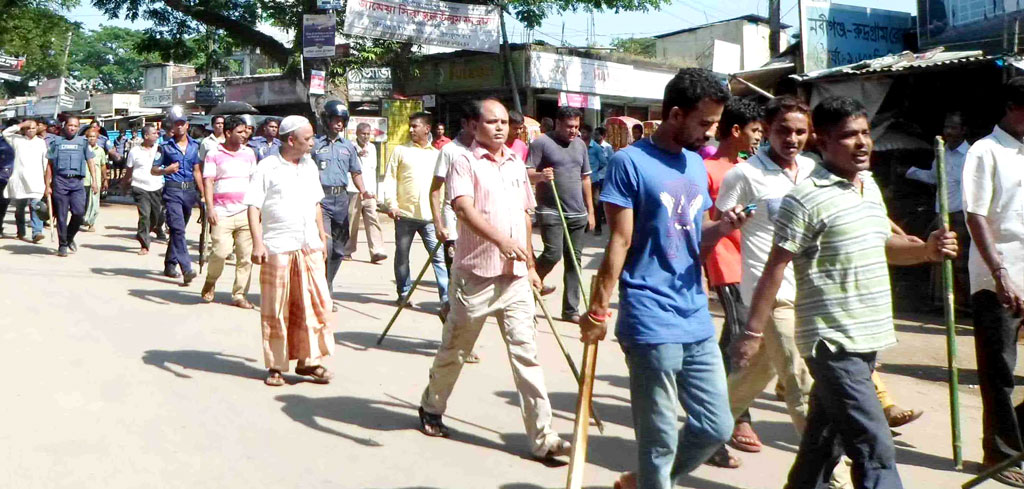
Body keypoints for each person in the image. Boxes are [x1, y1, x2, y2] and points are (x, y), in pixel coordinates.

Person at [731, 96, 956, 489]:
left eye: (865, 133)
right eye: (849, 136)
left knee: (824, 439)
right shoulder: (805, 199)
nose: (862, 143)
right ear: (824, 142)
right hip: (831, 342)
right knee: (874, 445)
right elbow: (776, 266)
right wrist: (751, 333)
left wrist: (927, 250)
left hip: (869, 337)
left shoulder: (868, 187)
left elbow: (885, 245)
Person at [578, 68, 741, 489]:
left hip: (695, 314)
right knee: (660, 438)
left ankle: (643, 482)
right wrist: (598, 308)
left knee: (715, 426)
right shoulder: (627, 163)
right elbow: (619, 241)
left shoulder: (693, 163)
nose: (710, 133)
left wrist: (722, 227)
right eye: (703, 123)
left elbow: (694, 239)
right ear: (674, 115)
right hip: (649, 314)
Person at [418, 98, 571, 460]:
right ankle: (431, 406)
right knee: (455, 350)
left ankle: (543, 436)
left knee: (527, 356)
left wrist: (531, 266)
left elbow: (524, 215)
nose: (501, 127)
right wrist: (500, 240)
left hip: (516, 278)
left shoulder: (517, 164)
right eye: (492, 122)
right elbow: (463, 208)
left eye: (505, 122)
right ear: (473, 125)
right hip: (476, 277)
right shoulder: (463, 161)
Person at [962, 77, 1024, 487]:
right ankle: (1000, 455)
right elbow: (975, 216)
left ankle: (1014, 437)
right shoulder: (985, 151)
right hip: (997, 279)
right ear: (1014, 108)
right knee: (999, 371)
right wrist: (1000, 272)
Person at [245, 115, 335, 387]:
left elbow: (316, 202)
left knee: (314, 305)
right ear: (291, 140)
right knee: (277, 307)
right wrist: (258, 243)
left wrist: (321, 233)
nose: (312, 143)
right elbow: (253, 206)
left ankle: (309, 361)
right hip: (278, 246)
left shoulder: (309, 165)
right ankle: (276, 366)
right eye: (307, 139)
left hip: (308, 245)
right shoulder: (267, 167)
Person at [701, 96, 763, 468]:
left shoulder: (750, 168)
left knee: (734, 341)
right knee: (742, 340)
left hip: (754, 263)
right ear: (736, 131)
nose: (759, 138)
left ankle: (718, 408)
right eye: (755, 131)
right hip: (726, 263)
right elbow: (706, 224)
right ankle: (735, 417)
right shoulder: (707, 170)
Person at [526, 106, 595, 323]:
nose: (573, 131)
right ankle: (530, 287)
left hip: (577, 213)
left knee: (574, 261)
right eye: (569, 127)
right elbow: (526, 173)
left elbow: (585, 178)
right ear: (557, 124)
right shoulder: (541, 143)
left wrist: (591, 211)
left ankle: (570, 310)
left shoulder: (580, 145)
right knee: (553, 254)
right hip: (551, 209)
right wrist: (541, 176)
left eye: (576, 126)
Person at [428, 107, 482, 361]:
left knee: (473, 287)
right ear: (464, 123)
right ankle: (461, 344)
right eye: (474, 124)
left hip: (479, 228)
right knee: (461, 286)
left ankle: (449, 310)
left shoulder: (483, 150)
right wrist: (439, 224)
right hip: (454, 228)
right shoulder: (449, 151)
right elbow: (436, 190)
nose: (478, 130)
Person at [381, 111, 449, 309]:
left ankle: (445, 298)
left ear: (427, 129)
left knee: (439, 258)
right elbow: (390, 178)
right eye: (410, 126)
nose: (411, 130)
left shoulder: (438, 155)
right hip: (405, 215)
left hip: (430, 217)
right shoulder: (401, 151)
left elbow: (442, 186)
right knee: (402, 256)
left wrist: (443, 215)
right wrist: (391, 204)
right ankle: (404, 292)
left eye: (415, 126)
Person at [905, 111, 972, 306]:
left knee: (959, 261)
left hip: (960, 214)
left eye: (953, 127)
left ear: (963, 130)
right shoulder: (942, 153)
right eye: (946, 127)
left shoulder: (971, 155)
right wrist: (910, 172)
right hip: (942, 214)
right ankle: (946, 304)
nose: (948, 131)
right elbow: (935, 177)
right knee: (939, 258)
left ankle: (965, 305)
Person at [313, 100, 371, 309]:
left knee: (339, 249)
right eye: (335, 120)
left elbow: (356, 172)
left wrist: (364, 191)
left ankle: (327, 282)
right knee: (325, 246)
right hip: (321, 200)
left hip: (342, 200)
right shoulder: (314, 144)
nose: (338, 124)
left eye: (341, 121)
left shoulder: (348, 147)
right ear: (326, 120)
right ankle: (322, 291)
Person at [201, 116, 257, 309]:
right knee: (220, 252)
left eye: (246, 131)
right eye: (240, 132)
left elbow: (255, 181)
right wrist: (210, 208)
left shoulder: (249, 153)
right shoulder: (213, 153)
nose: (244, 135)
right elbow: (208, 181)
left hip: (245, 212)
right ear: (228, 133)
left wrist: (256, 210)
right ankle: (211, 280)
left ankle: (239, 294)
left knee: (245, 257)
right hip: (221, 213)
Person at [152, 107, 204, 284]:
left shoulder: (195, 146)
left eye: (182, 123)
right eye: (177, 124)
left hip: (189, 192)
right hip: (172, 191)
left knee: (177, 231)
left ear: (187, 125)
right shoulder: (165, 147)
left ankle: (170, 263)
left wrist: (203, 195)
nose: (180, 127)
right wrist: (166, 170)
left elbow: (197, 171)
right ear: (173, 127)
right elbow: (153, 170)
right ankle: (186, 268)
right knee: (178, 228)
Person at [45, 115, 98, 257]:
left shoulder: (83, 143)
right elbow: (49, 165)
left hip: (77, 183)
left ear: (78, 127)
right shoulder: (56, 143)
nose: (72, 128)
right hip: (60, 182)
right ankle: (62, 245)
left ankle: (69, 237)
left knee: (79, 213)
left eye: (75, 126)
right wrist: (47, 185)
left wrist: (94, 181)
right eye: (70, 125)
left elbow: (90, 161)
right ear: (64, 126)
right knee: (61, 216)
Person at [344, 122, 387, 263]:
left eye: (368, 134)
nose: (366, 137)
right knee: (352, 221)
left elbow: (373, 170)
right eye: (363, 134)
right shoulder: (349, 147)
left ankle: (377, 251)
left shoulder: (373, 148)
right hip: (353, 189)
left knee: (373, 219)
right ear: (356, 133)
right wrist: (357, 153)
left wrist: (375, 192)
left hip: (369, 191)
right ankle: (347, 251)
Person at [121, 125, 165, 255]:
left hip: (156, 187)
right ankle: (144, 243)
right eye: (154, 133)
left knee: (156, 216)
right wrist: (124, 185)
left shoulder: (160, 149)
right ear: (146, 136)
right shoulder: (135, 151)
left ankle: (147, 231)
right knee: (145, 215)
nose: (157, 135)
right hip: (140, 187)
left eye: (157, 133)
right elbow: (129, 171)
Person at [2, 119, 48, 242]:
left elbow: (45, 161)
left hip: (36, 180)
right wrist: (21, 124)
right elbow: (5, 133)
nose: (31, 130)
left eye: (33, 128)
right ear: (24, 130)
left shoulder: (41, 143)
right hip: (20, 181)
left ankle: (37, 232)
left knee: (36, 206)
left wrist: (46, 179)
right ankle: (21, 231)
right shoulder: (17, 140)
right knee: (20, 208)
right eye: (28, 128)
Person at [585, 125, 611, 235]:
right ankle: (585, 225)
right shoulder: (579, 145)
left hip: (596, 179)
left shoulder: (596, 147)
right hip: (582, 179)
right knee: (583, 202)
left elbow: (604, 162)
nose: (583, 134)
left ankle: (598, 226)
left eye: (585, 132)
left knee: (596, 203)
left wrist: (594, 170)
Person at [82, 127, 109, 232]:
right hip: (83, 180)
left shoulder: (100, 151)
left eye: (94, 137)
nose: (91, 139)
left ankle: (91, 223)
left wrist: (105, 179)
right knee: (83, 203)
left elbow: (103, 165)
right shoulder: (83, 149)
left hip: (96, 181)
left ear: (97, 138)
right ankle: (83, 219)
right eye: (89, 137)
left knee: (94, 203)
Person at [0, 121, 15, 238]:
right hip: (2, 177)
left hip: (14, 177)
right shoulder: (1, 143)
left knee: (4, 204)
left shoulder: (20, 142)